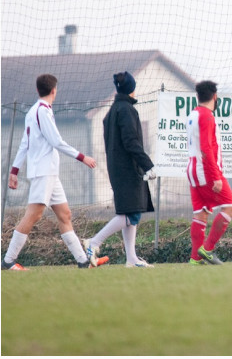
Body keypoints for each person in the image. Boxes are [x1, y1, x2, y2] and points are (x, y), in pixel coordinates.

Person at [2, 74, 99, 270]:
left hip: (50, 174)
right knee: (34, 215)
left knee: (65, 215)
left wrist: (14, 170)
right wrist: (82, 157)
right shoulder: (42, 112)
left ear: (38, 90)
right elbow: (56, 141)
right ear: (54, 90)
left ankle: (82, 261)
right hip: (43, 172)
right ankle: (7, 261)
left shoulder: (34, 111)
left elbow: (24, 144)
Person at [83, 72, 156, 268]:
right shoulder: (126, 110)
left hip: (117, 168)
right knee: (131, 214)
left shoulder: (113, 110)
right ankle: (94, 241)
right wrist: (147, 164)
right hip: (127, 169)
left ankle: (131, 259)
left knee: (130, 211)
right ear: (132, 88)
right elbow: (131, 141)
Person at [185, 81, 232, 265]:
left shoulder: (193, 114)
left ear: (197, 96)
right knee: (230, 206)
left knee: (201, 213)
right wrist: (215, 176)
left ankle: (195, 258)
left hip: (193, 170)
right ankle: (206, 249)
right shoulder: (207, 116)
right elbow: (206, 147)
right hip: (206, 171)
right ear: (215, 96)